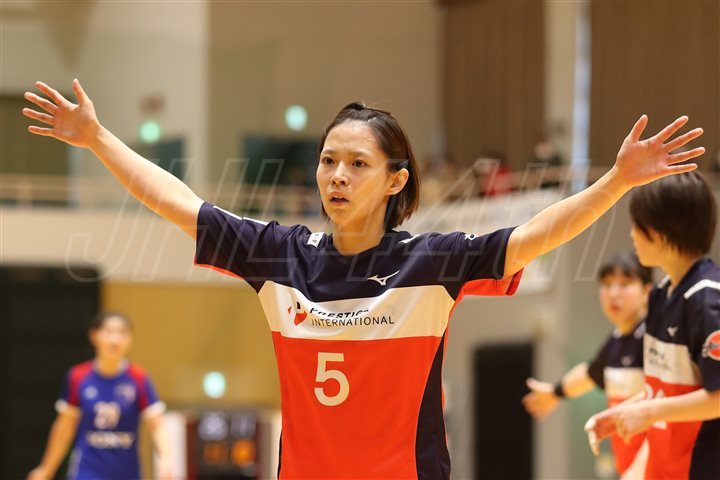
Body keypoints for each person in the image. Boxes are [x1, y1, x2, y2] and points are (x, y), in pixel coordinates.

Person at [23, 79, 704, 478]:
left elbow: (536, 235)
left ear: (395, 180)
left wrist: (617, 181)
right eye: (327, 161)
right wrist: (97, 139)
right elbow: (179, 203)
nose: (337, 176)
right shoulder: (279, 256)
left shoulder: (432, 263)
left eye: (356, 164)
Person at [585, 171, 720, 480]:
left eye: (637, 225)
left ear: (660, 232)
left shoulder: (707, 299)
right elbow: (665, 391)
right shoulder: (660, 295)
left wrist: (648, 412)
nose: (632, 234)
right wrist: (625, 411)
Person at [523, 252, 652, 478]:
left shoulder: (654, 339)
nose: (613, 293)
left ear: (647, 291)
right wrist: (555, 392)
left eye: (624, 284)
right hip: (629, 466)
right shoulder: (616, 341)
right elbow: (590, 373)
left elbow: (664, 413)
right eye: (607, 285)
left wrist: (639, 470)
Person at [27, 312, 170, 480]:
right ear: (94, 336)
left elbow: (157, 424)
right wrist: (46, 468)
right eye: (108, 332)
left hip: (127, 473)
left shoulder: (139, 378)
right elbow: (64, 427)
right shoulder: (78, 377)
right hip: (87, 472)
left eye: (122, 333)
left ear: (130, 338)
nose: (115, 340)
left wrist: (165, 459)